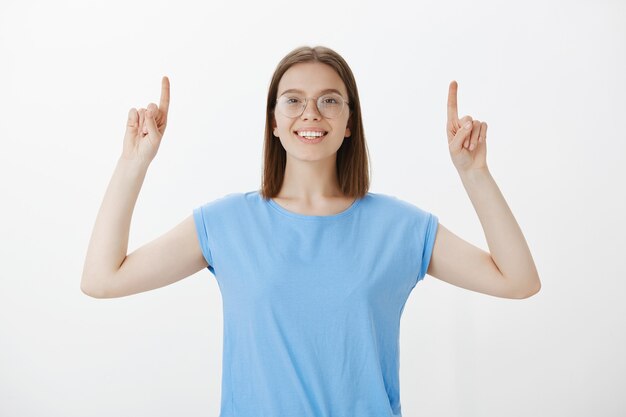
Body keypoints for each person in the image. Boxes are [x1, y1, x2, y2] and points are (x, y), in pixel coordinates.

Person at [81, 45, 541, 416]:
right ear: (275, 122)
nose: (311, 113)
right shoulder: (225, 225)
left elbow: (518, 281)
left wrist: (474, 173)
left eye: (329, 100)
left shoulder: (398, 228)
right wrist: (133, 163)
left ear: (348, 123)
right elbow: (103, 280)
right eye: (294, 100)